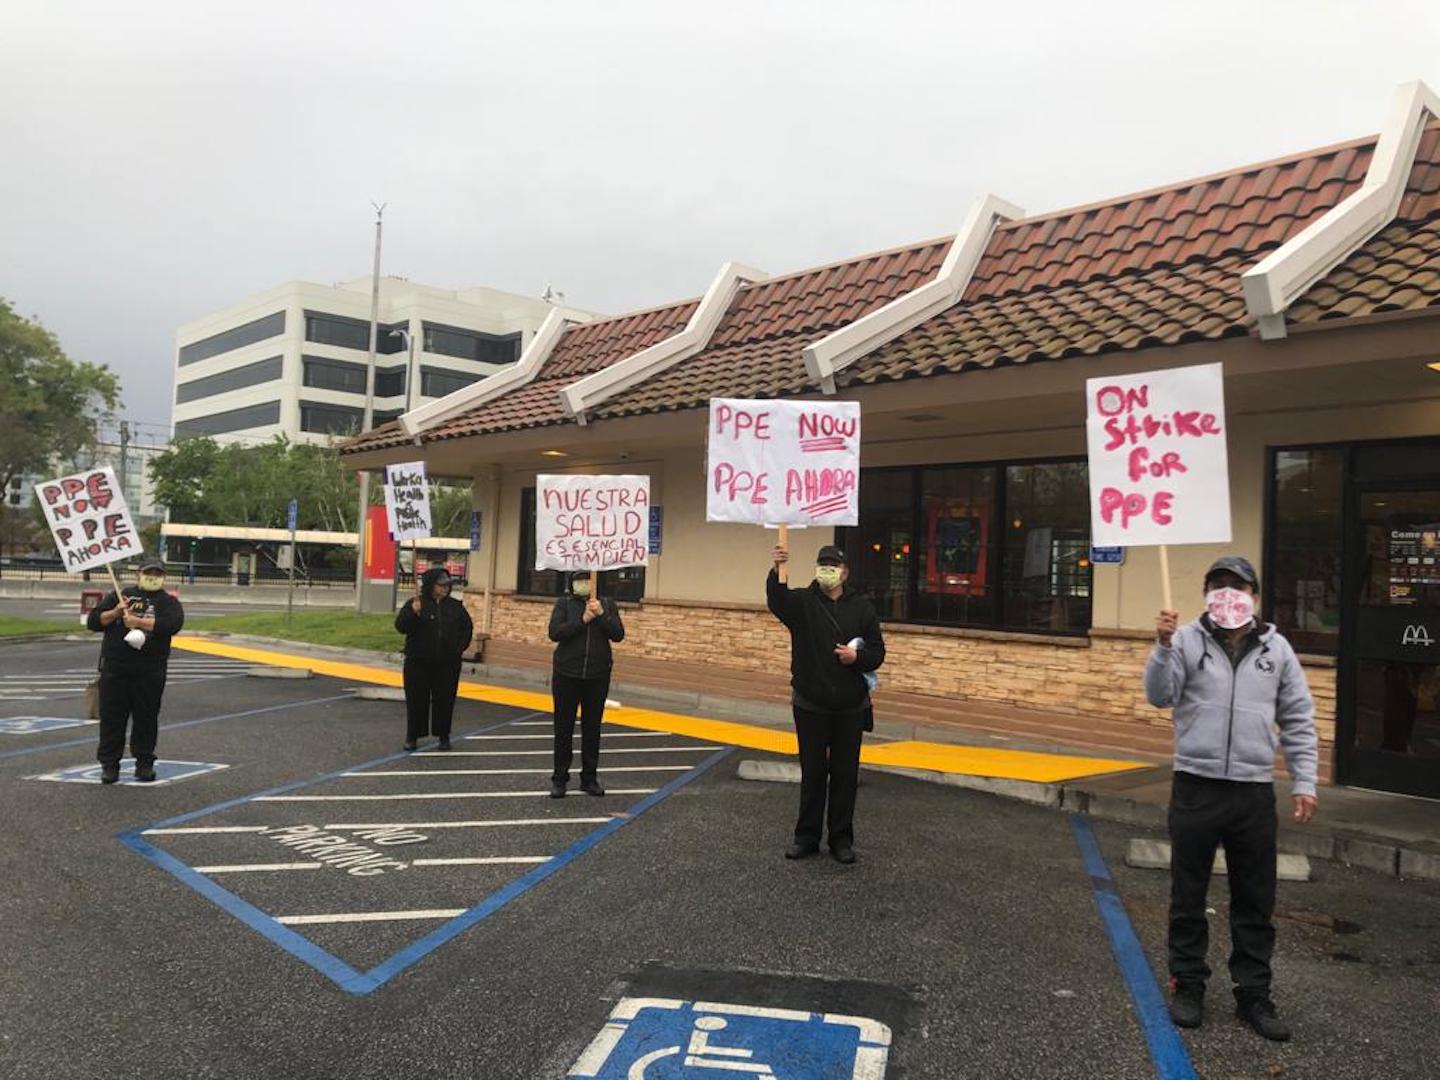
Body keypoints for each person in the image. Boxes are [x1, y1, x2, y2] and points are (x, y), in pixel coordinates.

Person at [1145, 555, 1319, 1042]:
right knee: (1188, 894)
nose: (1228, 595)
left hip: (1252, 792)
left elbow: (1298, 718)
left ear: (1254, 596)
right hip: (1196, 786)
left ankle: (1254, 994)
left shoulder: (1277, 649)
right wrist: (1161, 647)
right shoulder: (1185, 641)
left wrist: (1304, 780)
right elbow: (1160, 696)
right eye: (1218, 586)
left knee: (1255, 900)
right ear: (1206, 594)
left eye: (1237, 586)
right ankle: (1188, 984)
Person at [767, 542, 885, 865]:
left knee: (845, 776)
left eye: (833, 565)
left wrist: (856, 657)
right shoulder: (803, 603)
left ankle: (841, 839)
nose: (826, 570)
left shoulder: (862, 609)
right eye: (822, 564)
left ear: (845, 572)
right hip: (810, 704)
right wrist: (778, 568)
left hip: (850, 707)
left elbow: (878, 652)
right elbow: (777, 601)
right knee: (813, 773)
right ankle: (806, 837)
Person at [86, 555, 185, 784]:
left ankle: (144, 763)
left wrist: (139, 622)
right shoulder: (120, 596)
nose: (152, 577)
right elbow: (93, 622)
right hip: (115, 670)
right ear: (138, 574)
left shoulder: (168, 602)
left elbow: (171, 625)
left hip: (149, 671)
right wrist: (115, 613)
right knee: (112, 720)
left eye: (157, 574)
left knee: (146, 719)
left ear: (164, 577)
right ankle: (110, 765)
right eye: (148, 573)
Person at [548, 572, 625, 798]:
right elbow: (555, 632)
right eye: (578, 580)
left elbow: (618, 634)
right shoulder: (564, 604)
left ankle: (589, 778)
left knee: (592, 729)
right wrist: (582, 620)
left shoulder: (607, 604)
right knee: (563, 729)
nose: (581, 584)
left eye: (586, 580)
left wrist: (600, 614)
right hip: (566, 674)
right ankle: (560, 779)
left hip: (597, 675)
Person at [395, 566, 473, 752]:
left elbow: (467, 629)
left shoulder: (455, 606)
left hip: (447, 663)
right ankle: (412, 735)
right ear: (431, 585)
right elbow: (401, 627)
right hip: (418, 661)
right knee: (416, 700)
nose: (445, 588)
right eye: (441, 585)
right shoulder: (416, 603)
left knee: (445, 699)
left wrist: (458, 649)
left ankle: (443, 736)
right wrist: (413, 613)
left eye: (447, 585)